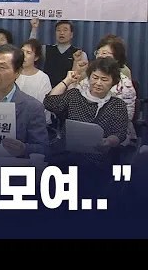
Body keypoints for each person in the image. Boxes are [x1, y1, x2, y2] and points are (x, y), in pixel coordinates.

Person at [43, 57, 129, 196]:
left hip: (97, 159)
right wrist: (67, 80)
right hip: (67, 154)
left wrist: (108, 142)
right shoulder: (75, 95)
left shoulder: (117, 105)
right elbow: (50, 103)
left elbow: (120, 133)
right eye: (95, 77)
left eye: (104, 79)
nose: (98, 83)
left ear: (113, 82)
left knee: (87, 180)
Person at [16, 39, 52, 123]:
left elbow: (44, 106)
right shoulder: (11, 73)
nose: (23, 55)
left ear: (36, 58)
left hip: (34, 121)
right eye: (22, 51)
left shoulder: (43, 78)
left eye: (28, 53)